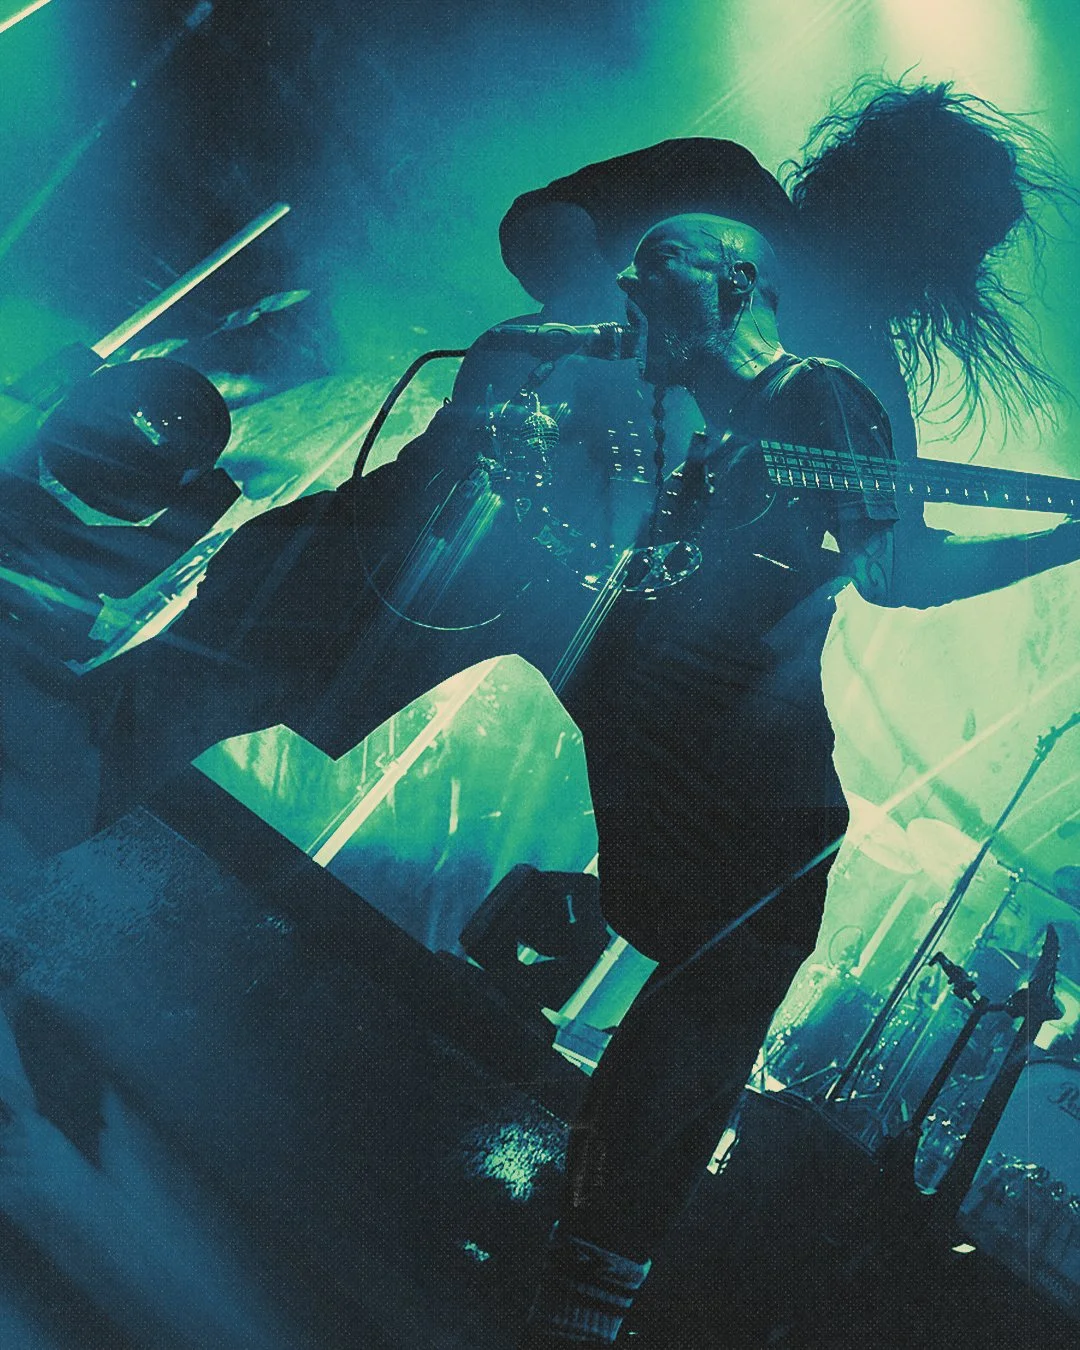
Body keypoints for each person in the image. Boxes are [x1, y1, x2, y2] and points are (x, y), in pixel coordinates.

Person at [515, 211, 897, 1348]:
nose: (628, 280)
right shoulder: (715, 439)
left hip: (738, 766)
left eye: (660, 263)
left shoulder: (817, 394)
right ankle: (580, 1290)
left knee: (695, 1015)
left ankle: (583, 1282)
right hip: (718, 758)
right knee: (700, 1013)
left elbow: (899, 569)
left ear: (736, 284)